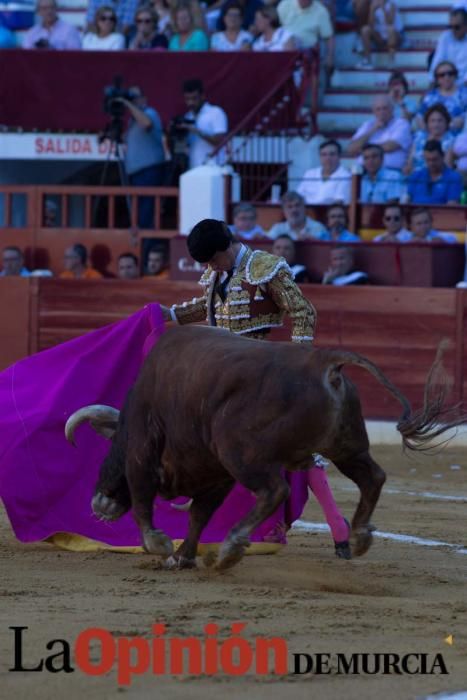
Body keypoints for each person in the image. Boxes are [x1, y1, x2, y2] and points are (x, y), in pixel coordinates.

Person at [162, 219, 351, 557]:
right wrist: (168, 314)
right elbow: (205, 307)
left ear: (224, 248)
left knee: (299, 448)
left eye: (211, 260)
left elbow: (303, 311)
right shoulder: (216, 273)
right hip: (221, 376)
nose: (209, 268)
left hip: (262, 374)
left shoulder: (266, 268)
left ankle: (338, 526)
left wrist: (300, 360)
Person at [121, 85, 166, 228]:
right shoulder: (132, 120)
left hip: (149, 170)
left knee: (147, 213)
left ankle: (147, 245)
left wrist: (128, 104)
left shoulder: (149, 112)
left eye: (135, 98)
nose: (133, 102)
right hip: (136, 173)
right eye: (131, 99)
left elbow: (147, 123)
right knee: (138, 213)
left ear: (144, 98)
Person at [347, 95, 412, 171]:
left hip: (390, 170)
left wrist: (364, 149)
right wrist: (373, 129)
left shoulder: (401, 124)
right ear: (374, 111)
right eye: (378, 109)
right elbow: (351, 149)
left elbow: (390, 146)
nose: (382, 112)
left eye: (385, 108)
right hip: (364, 170)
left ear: (392, 109)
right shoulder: (368, 125)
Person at [181, 78, 228, 169]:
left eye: (194, 98)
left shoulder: (216, 113)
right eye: (187, 99)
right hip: (193, 169)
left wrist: (197, 131)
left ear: (203, 96)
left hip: (214, 169)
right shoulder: (187, 117)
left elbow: (219, 141)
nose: (190, 103)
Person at [277, 0, 334, 71]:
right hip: (280, 46)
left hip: (306, 51)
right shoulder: (285, 4)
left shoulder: (321, 12)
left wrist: (330, 56)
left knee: (291, 42)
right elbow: (274, 26)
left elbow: (328, 36)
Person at [407, 140, 463, 204]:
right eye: (428, 160)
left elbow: (452, 206)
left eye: (434, 159)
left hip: (441, 213)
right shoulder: (416, 175)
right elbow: (407, 202)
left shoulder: (454, 177)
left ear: (442, 156)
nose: (431, 163)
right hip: (415, 213)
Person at [405, 103, 456, 174]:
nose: (436, 124)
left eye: (440, 121)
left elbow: (447, 166)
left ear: (446, 123)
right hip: (415, 177)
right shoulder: (419, 137)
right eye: (432, 121)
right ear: (427, 123)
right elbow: (410, 161)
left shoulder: (452, 140)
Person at [417, 62, 467, 134]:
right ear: (436, 79)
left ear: (455, 75)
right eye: (441, 75)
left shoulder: (464, 94)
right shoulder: (430, 96)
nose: (446, 77)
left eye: (450, 73)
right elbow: (420, 116)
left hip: (460, 135)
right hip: (432, 134)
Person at [297, 139, 351, 205]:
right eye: (324, 154)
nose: (328, 158)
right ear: (320, 157)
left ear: (339, 156)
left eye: (332, 154)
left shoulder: (346, 176)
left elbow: (339, 202)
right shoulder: (310, 173)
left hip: (330, 213)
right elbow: (298, 197)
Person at [356, 0, 404, 70]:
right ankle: (367, 61)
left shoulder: (392, 5)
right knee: (365, 30)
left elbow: (390, 22)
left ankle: (391, 61)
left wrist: (383, 8)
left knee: (390, 29)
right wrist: (372, 10)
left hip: (394, 36)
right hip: (380, 37)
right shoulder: (373, 5)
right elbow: (370, 25)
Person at [429, 8, 467, 86]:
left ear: (465, 26)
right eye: (450, 26)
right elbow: (438, 60)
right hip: (445, 82)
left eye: (457, 27)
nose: (453, 30)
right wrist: (432, 80)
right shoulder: (445, 37)